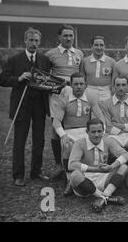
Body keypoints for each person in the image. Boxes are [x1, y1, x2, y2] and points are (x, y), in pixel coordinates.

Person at [0, 27, 52, 186]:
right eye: (31, 40)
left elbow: (48, 80)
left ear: (39, 42)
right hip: (22, 104)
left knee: (39, 140)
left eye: (36, 41)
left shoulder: (44, 60)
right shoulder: (15, 59)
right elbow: (2, 79)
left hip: (39, 105)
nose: (34, 43)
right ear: (25, 41)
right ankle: (18, 175)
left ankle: (36, 171)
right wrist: (19, 78)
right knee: (20, 140)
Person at [52, 72, 105, 195]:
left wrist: (103, 132)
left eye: (82, 84)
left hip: (86, 131)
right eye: (76, 84)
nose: (79, 86)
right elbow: (56, 121)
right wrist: (63, 135)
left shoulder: (90, 97)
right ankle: (69, 180)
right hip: (70, 131)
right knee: (67, 147)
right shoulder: (64, 98)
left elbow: (101, 117)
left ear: (86, 85)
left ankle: (91, 176)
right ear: (71, 85)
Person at [46, 24, 84, 180]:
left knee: (75, 122)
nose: (68, 38)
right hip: (58, 93)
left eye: (71, 35)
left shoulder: (79, 53)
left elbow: (81, 74)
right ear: (59, 37)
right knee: (57, 127)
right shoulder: (51, 54)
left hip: (75, 91)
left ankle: (75, 160)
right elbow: (46, 76)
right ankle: (58, 165)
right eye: (65, 35)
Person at [68, 118, 128, 213]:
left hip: (103, 179)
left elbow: (126, 155)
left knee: (123, 167)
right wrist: (95, 169)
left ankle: (103, 197)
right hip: (84, 182)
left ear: (103, 131)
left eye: (99, 131)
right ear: (87, 132)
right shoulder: (79, 143)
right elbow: (71, 165)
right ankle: (107, 197)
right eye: (93, 132)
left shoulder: (108, 141)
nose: (97, 135)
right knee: (75, 175)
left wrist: (112, 166)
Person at [99, 76, 128, 184]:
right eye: (118, 85)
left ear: (127, 86)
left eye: (123, 85)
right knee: (113, 146)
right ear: (113, 87)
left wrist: (118, 125)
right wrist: (126, 128)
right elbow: (108, 126)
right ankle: (118, 171)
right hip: (114, 135)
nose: (121, 88)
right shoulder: (106, 103)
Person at [81, 35, 115, 102]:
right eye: (96, 45)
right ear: (91, 46)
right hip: (89, 91)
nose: (99, 48)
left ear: (104, 46)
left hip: (106, 92)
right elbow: (82, 79)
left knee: (105, 112)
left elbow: (113, 81)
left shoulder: (112, 61)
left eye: (101, 45)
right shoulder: (85, 61)